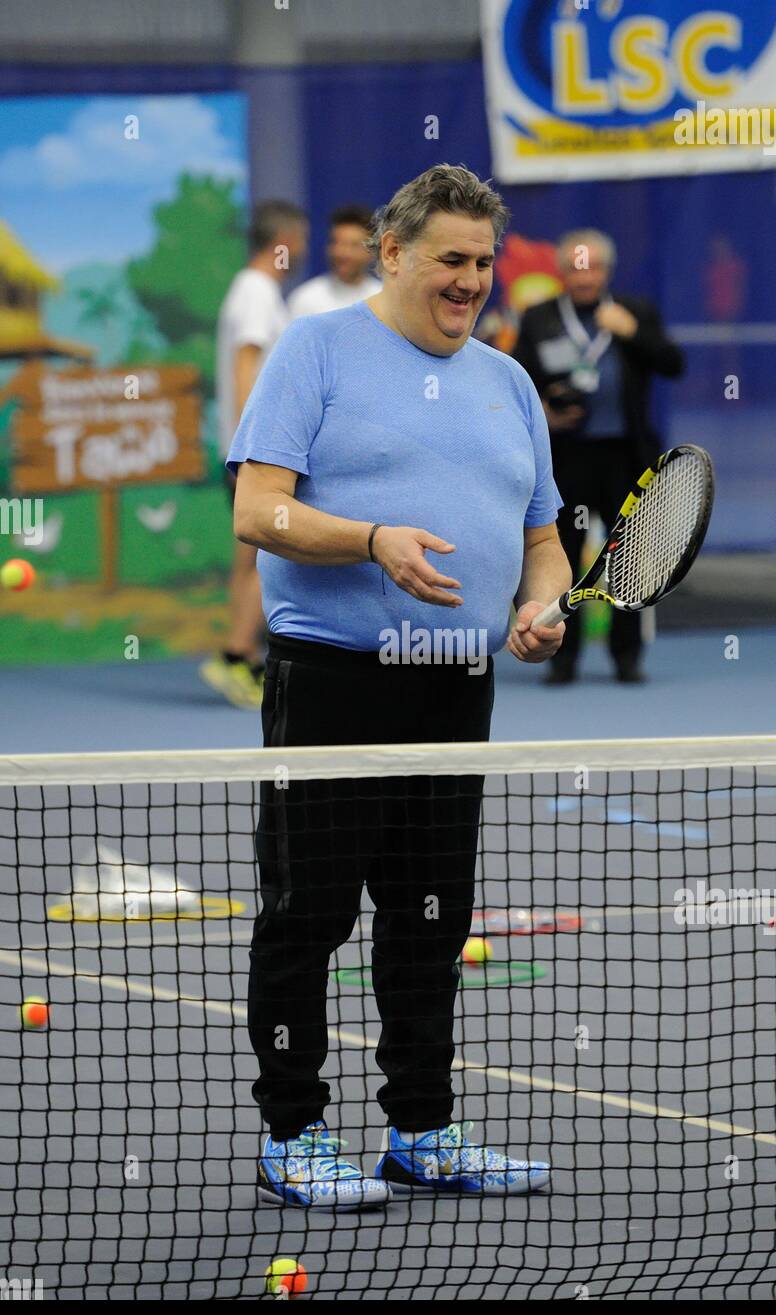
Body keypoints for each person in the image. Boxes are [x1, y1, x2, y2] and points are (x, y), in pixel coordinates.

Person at [228, 164, 570, 1209]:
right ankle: (294, 1135)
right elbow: (257, 512)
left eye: (481, 262)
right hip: (332, 684)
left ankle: (421, 1130)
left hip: (455, 692)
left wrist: (539, 605)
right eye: (449, 260)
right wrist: (371, 540)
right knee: (307, 914)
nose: (469, 281)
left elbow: (544, 539)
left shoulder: (504, 380)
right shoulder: (314, 351)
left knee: (428, 919)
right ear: (392, 255)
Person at [512, 229, 685, 684]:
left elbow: (673, 363)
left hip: (627, 457)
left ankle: (627, 657)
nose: (584, 277)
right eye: (575, 268)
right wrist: (546, 412)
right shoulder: (539, 317)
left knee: (632, 557)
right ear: (562, 272)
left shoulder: (635, 312)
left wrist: (635, 334)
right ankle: (561, 658)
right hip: (567, 459)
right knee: (562, 551)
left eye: (592, 268)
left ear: (607, 271)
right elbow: (516, 380)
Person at [200, 199, 309, 709]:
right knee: (259, 558)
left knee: (256, 558)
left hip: (251, 450)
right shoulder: (258, 292)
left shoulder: (255, 290)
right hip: (254, 453)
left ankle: (240, 655)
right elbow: (248, 365)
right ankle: (237, 656)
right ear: (284, 242)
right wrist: (256, 448)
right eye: (302, 240)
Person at [286, 205, 380, 321]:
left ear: (371, 252)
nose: (342, 253)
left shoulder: (384, 300)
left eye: (354, 245)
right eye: (336, 242)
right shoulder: (306, 299)